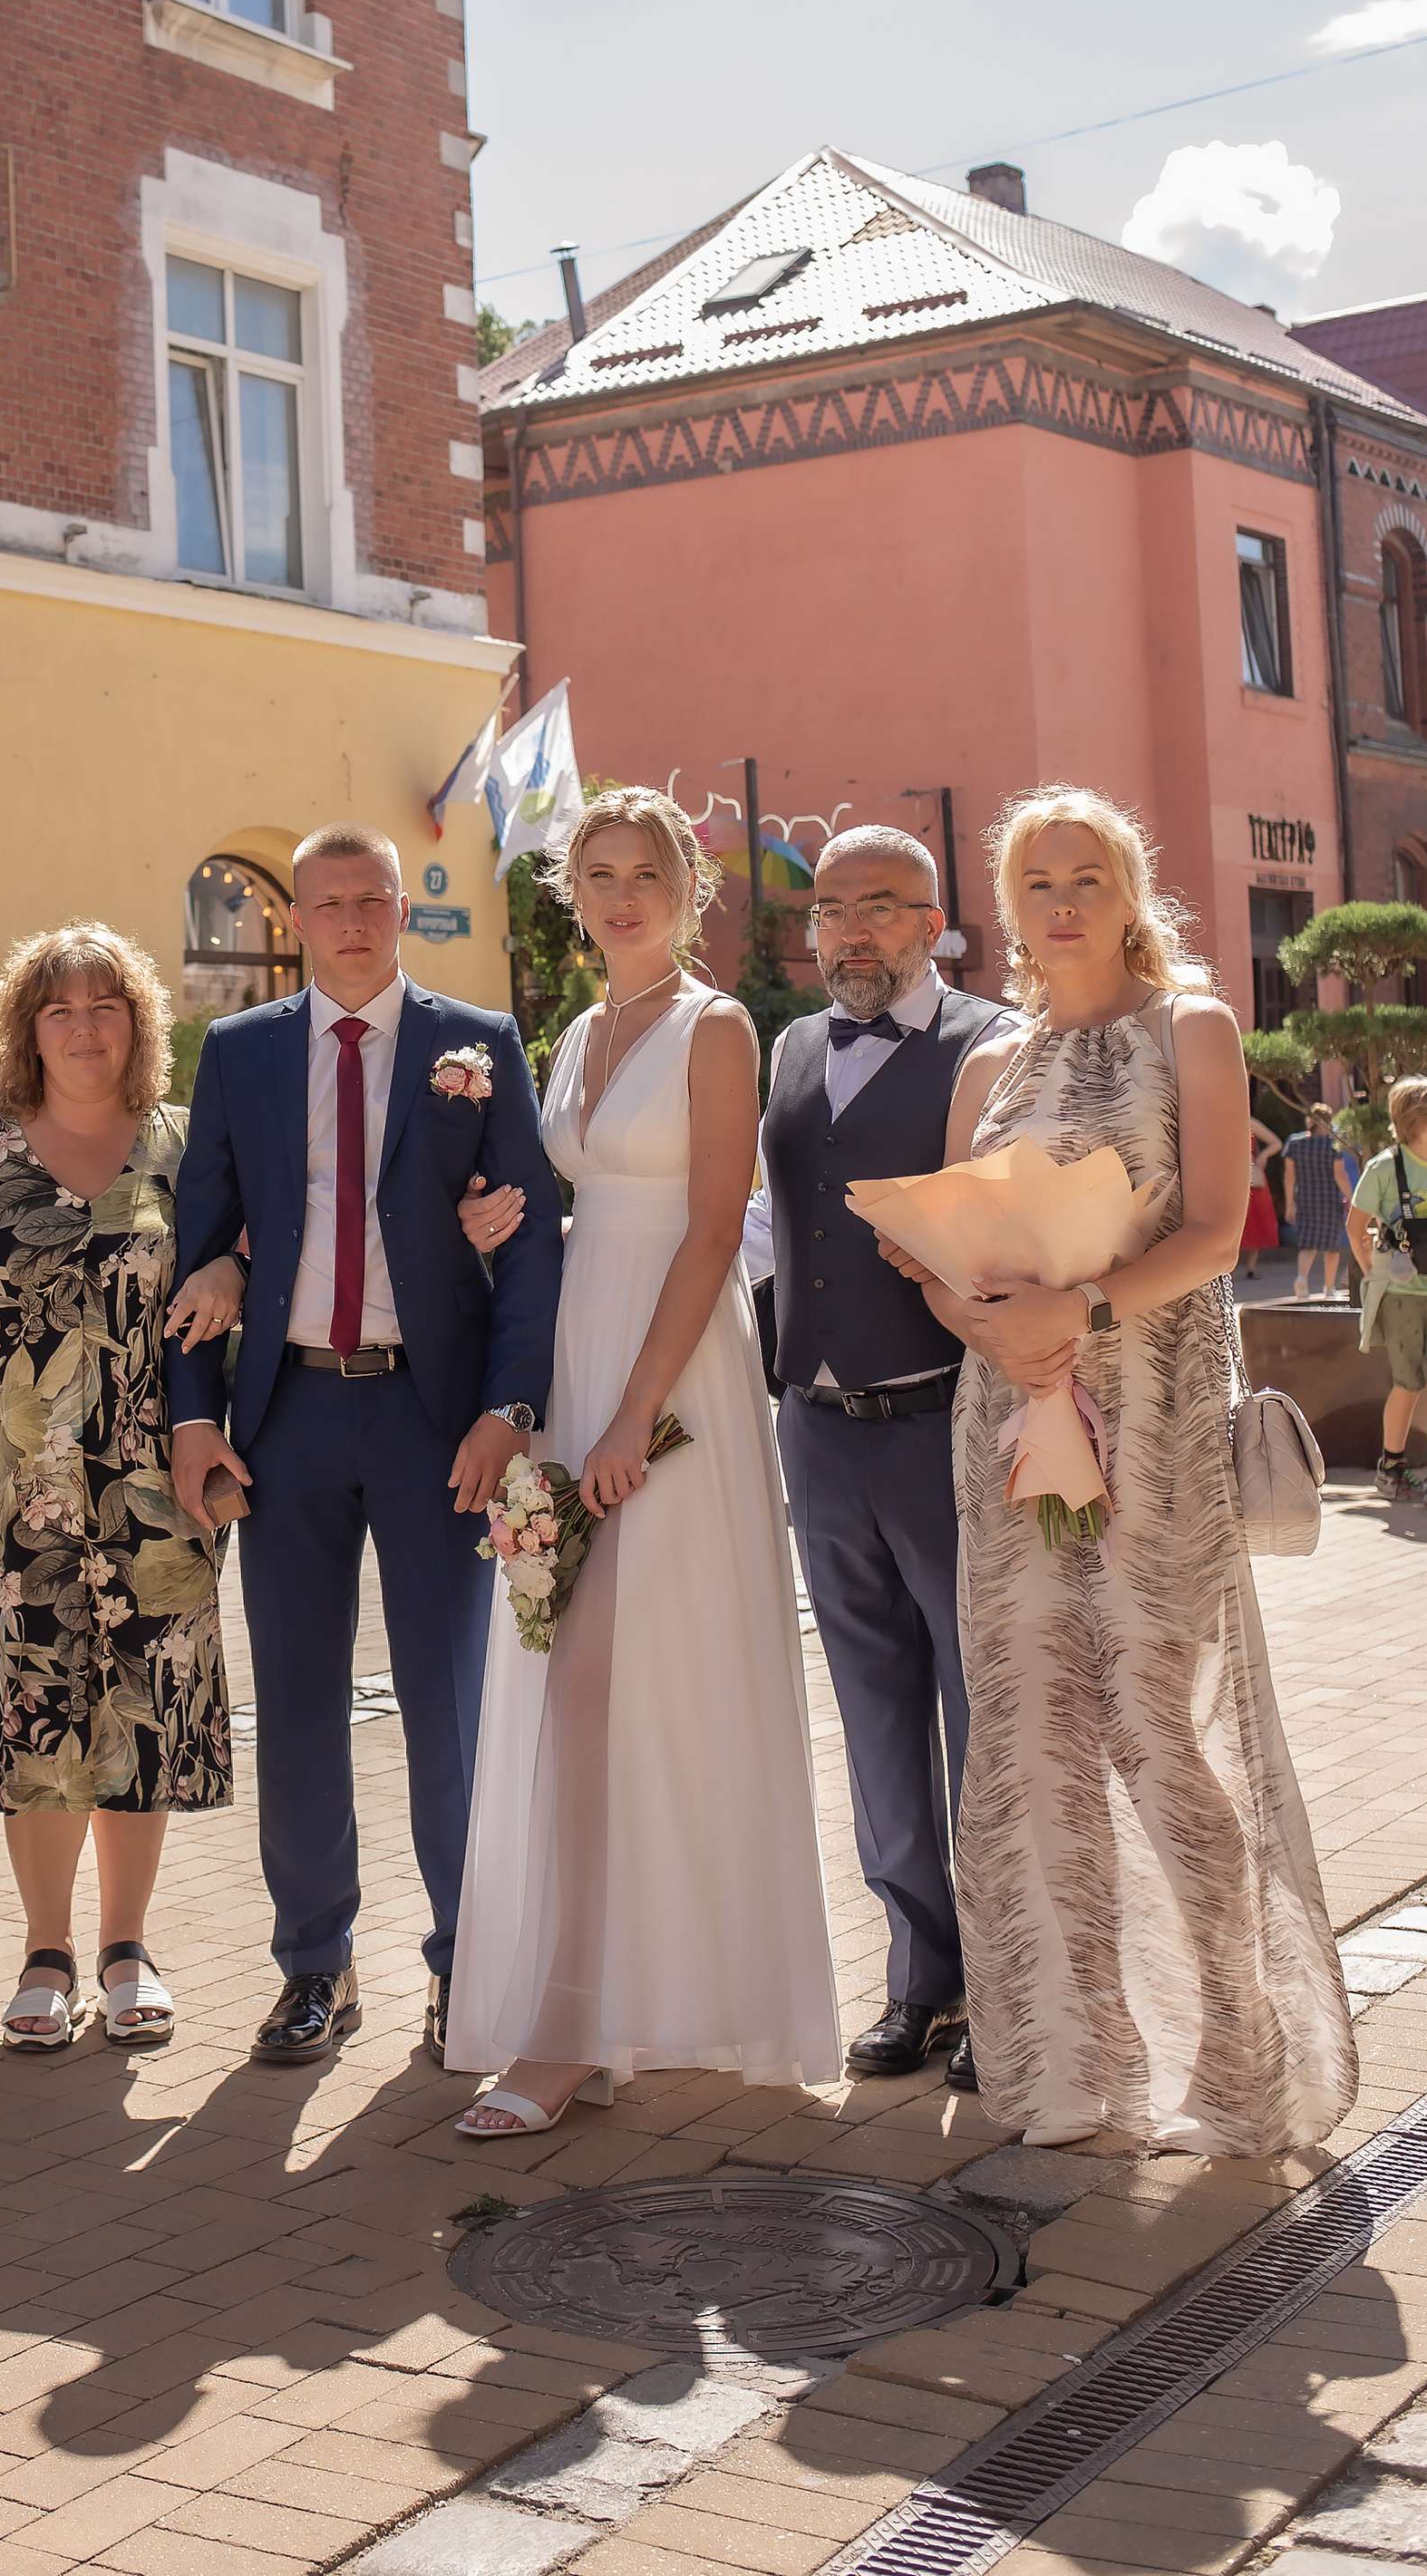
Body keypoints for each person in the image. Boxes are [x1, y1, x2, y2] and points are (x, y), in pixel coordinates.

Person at [894, 786, 1355, 2155]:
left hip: (1151, 1430)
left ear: (1131, 886)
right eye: (1038, 882)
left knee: (1164, 1738)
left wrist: (1079, 1316)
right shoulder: (988, 1065)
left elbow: (1219, 1232)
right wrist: (984, 1319)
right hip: (1006, 1428)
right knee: (1031, 1743)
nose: (1063, 902)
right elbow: (946, 1258)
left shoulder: (1189, 1029)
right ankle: (1071, 2067)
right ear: (1011, 904)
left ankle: (1236, 2054)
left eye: (1087, 875)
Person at [444, 790, 840, 2135]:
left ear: (689, 889)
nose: (624, 896)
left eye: (648, 874)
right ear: (572, 893)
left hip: (672, 1380)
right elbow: (593, 1209)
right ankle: (597, 2005)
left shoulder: (714, 1027)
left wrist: (629, 1419)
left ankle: (573, 2026)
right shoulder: (575, 1035)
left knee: (611, 1678)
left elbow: (715, 1229)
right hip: (574, 1365)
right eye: (599, 875)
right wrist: (508, 1223)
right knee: (577, 1686)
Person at [166, 820, 562, 2068]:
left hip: (432, 1416)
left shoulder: (477, 1045)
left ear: (403, 912)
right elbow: (203, 1244)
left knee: (451, 1704)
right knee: (296, 1701)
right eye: (326, 901)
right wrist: (192, 1415)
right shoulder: (239, 1054)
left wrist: (510, 1409)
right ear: (296, 917)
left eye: (370, 901)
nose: (348, 920)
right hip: (286, 1415)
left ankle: (464, 1964)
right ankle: (314, 1967)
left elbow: (534, 1241)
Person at [0, 924, 239, 2050]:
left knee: (137, 1711)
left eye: (106, 1005)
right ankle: (45, 1952)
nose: (85, 1026)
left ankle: (126, 1948)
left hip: (155, 1481)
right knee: (35, 1709)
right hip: (10, 1485)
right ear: (26, 1028)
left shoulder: (185, 1148)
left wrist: (231, 1262)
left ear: (138, 1022)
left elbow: (244, 1270)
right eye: (60, 1008)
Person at [754, 826, 1012, 2090]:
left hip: (944, 1427)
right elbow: (762, 1225)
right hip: (816, 1427)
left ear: (933, 920)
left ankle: (1015, 1989)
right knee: (874, 1718)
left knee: (986, 1714)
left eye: (880, 908)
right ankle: (924, 1980)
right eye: (831, 910)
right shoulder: (794, 1047)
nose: (851, 932)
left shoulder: (992, 1042)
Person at [1347, 1076, 1427, 1510]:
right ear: (1421, 1121)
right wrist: (1375, 1278)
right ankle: (1393, 1468)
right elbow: (1355, 1227)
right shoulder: (1384, 1168)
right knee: (1409, 1383)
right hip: (1402, 1295)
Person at [1283, 1102, 1352, 1303]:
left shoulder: (1295, 1143)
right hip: (1329, 1198)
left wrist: (1289, 1204)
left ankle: (1302, 1278)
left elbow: (1289, 1176)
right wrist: (1352, 1198)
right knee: (1331, 1247)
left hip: (1305, 1198)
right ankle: (1329, 1288)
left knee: (1307, 1243)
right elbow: (1340, 1175)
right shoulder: (1333, 1144)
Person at [1240, 1116, 1283, 1284]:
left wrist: (1263, 1156)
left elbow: (1276, 1143)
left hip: (1250, 1176)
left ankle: (1250, 1269)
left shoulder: (1249, 1122)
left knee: (1255, 1222)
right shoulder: (1218, 1120)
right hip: (1231, 1175)